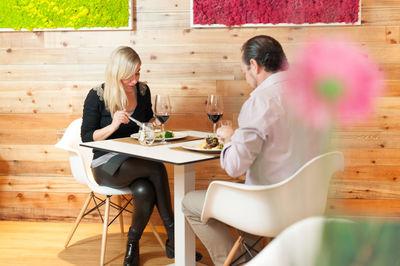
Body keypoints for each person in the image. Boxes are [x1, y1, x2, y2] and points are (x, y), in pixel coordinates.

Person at [182, 35, 327, 265]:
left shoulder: (261, 101)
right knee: (247, 189)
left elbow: (234, 166)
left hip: (268, 208)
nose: (246, 77)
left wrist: (231, 138)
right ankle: (259, 259)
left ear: (254, 65)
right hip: (307, 202)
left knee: (189, 202)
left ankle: (240, 263)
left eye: (244, 71)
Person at [81, 46, 175, 266]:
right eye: (130, 74)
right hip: (105, 163)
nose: (135, 79)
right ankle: (174, 236)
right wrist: (113, 124)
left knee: (144, 188)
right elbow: (86, 137)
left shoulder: (143, 91)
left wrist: (157, 124)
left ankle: (132, 244)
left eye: (138, 72)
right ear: (117, 72)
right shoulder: (98, 95)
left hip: (134, 161)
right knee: (156, 168)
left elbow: (149, 121)